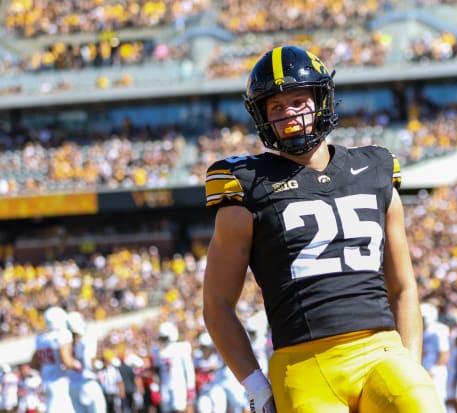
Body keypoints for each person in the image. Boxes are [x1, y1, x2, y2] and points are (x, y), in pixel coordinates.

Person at [202, 45, 442, 413]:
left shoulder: (375, 167)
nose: (290, 115)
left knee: (421, 405)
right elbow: (217, 304)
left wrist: (410, 360)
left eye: (298, 101)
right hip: (304, 361)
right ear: (261, 116)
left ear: (321, 101)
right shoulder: (245, 183)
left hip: (380, 350)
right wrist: (255, 386)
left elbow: (403, 286)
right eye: (277, 107)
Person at [31, 306, 81, 413]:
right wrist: (79, 366)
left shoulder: (41, 338)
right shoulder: (62, 335)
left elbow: (33, 363)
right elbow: (66, 360)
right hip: (60, 381)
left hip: (46, 382)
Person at [66, 311, 107, 413]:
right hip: (88, 384)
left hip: (72, 386)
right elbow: (90, 363)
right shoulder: (87, 338)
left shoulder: (64, 342)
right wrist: (100, 366)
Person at [151, 321, 196, 413]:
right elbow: (156, 372)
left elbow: (189, 370)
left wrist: (190, 387)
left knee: (181, 409)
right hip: (165, 385)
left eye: (164, 338)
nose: (162, 341)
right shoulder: (157, 351)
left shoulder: (182, 347)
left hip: (179, 384)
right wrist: (155, 388)